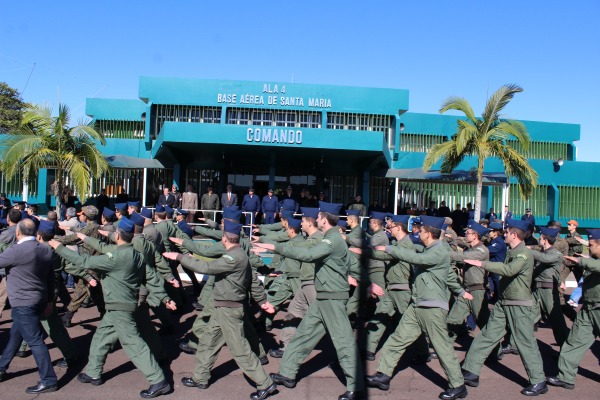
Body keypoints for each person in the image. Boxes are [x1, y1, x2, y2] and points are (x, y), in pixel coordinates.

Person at [50, 217, 171, 398]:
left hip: (120, 307)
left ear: (118, 235)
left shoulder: (116, 257)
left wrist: (58, 247)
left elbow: (84, 262)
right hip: (123, 305)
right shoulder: (133, 253)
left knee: (133, 343)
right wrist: (164, 296)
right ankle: (93, 372)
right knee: (102, 337)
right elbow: (150, 275)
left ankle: (158, 380)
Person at [258, 202, 364, 400]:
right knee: (303, 335)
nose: (316, 220)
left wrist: (277, 247)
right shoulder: (332, 239)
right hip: (323, 296)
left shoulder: (331, 240)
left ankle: (356, 386)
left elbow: (308, 255)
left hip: (332, 298)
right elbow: (350, 262)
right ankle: (287, 373)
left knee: (344, 342)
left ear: (324, 219)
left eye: (318, 217)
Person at [163, 220, 277, 400]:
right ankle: (200, 378)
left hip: (229, 310)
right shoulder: (240, 255)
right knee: (208, 342)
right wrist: (262, 301)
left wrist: (179, 257)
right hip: (222, 307)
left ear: (224, 238)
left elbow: (206, 267)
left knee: (240, 350)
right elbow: (253, 281)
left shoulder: (233, 257)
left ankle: (265, 384)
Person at [366, 216, 470, 400]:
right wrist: (461, 292)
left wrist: (390, 248)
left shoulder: (438, 251)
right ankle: (383, 375)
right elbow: (448, 277)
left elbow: (416, 258)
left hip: (432, 307)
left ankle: (458, 385)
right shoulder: (429, 250)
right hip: (418, 304)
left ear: (428, 234)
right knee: (398, 338)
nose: (417, 233)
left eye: (421, 231)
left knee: (442, 346)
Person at [461, 218, 548, 396]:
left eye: (507, 232)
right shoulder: (512, 250)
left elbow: (509, 270)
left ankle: (538, 381)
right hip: (504, 302)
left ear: (514, 235)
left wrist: (482, 263)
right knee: (486, 335)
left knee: (525, 342)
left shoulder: (523, 254)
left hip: (518, 304)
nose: (504, 235)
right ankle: (470, 371)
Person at [0, 219, 58, 394]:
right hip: (38, 299)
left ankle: (49, 379)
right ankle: (2, 367)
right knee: (15, 336)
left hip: (22, 302)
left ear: (18, 232)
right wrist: (49, 301)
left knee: (35, 341)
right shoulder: (46, 250)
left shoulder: (16, 250)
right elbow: (50, 278)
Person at [547, 228, 600, 390]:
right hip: (588, 309)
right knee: (574, 341)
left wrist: (581, 261)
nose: (588, 247)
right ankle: (566, 377)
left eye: (591, 245)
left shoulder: (593, 261)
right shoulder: (593, 258)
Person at [529, 227, 569, 347]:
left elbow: (545, 259)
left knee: (556, 321)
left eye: (540, 237)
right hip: (537, 290)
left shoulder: (555, 254)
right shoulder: (543, 252)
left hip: (549, 291)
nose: (539, 239)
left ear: (544, 239)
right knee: (528, 317)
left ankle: (566, 349)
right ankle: (517, 344)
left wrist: (527, 250)